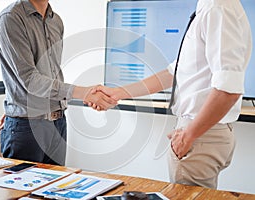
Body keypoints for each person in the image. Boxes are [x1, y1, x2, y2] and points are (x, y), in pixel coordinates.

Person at [88, 0, 252, 189]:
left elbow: (227, 90)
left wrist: (188, 136)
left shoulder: (217, 7)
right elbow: (173, 73)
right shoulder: (211, 7)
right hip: (204, 133)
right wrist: (118, 93)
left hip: (199, 135)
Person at [0, 0, 116, 165]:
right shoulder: (11, 18)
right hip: (27, 127)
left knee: (55, 189)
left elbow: (50, 73)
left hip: (58, 123)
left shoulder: (56, 21)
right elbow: (30, 80)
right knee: (24, 190)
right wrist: (84, 93)